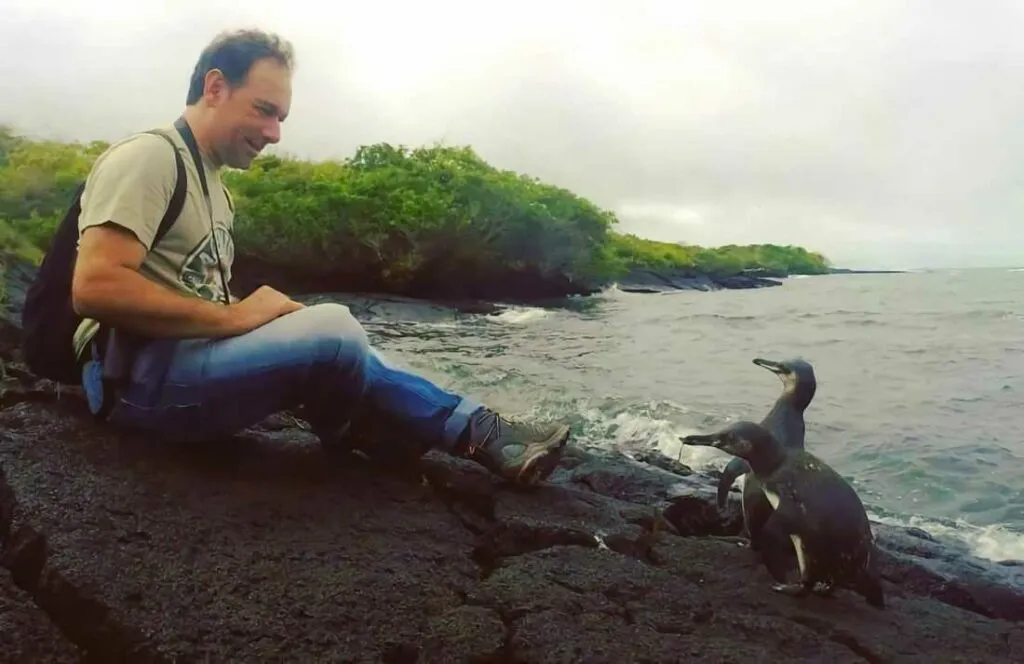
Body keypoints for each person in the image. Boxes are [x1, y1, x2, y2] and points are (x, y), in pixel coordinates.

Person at [69, 28, 571, 486]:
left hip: (181, 365)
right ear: (216, 87)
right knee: (336, 330)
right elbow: (96, 286)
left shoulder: (217, 188)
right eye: (263, 110)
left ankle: (475, 432)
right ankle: (376, 430)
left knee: (326, 331)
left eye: (281, 118)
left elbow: (186, 287)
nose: (274, 133)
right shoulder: (149, 157)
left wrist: (257, 317)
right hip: (137, 384)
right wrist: (234, 317)